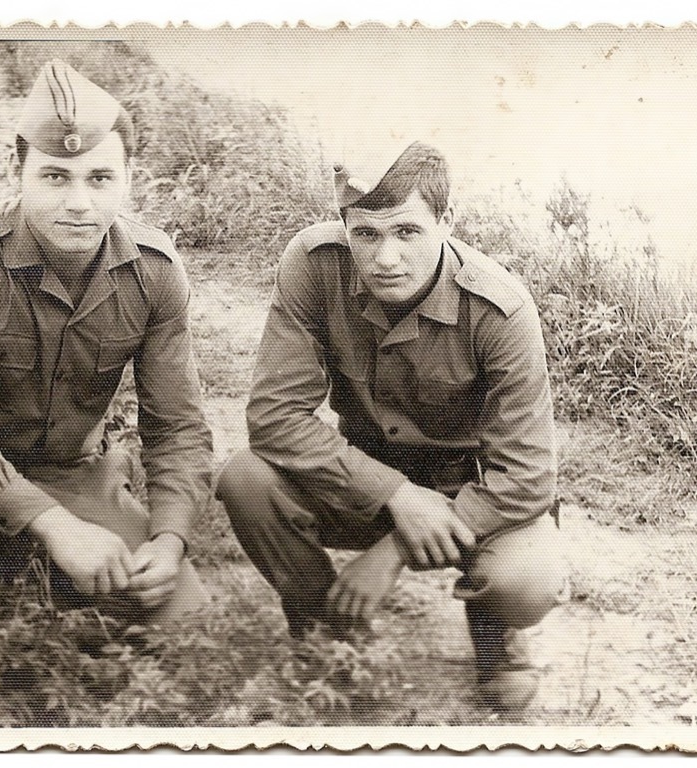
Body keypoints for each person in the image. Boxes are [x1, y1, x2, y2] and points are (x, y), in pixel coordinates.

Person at [216, 139, 569, 709]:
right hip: (365, 476)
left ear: (446, 220)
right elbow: (274, 417)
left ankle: (496, 634)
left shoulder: (500, 308)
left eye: (407, 232)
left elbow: (527, 476)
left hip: (471, 489)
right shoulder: (313, 266)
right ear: (344, 225)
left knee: (526, 579)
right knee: (246, 479)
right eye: (366, 234)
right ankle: (325, 627)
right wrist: (397, 495)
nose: (385, 258)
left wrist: (392, 552)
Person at [0, 60, 213, 623]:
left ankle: (50, 583)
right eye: (56, 177)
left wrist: (169, 539)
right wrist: (55, 525)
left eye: (100, 178)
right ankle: (2, 595)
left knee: (182, 615)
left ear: (129, 177)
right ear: (17, 171)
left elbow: (178, 426)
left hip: (77, 473)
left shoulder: (155, 272)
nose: (80, 203)